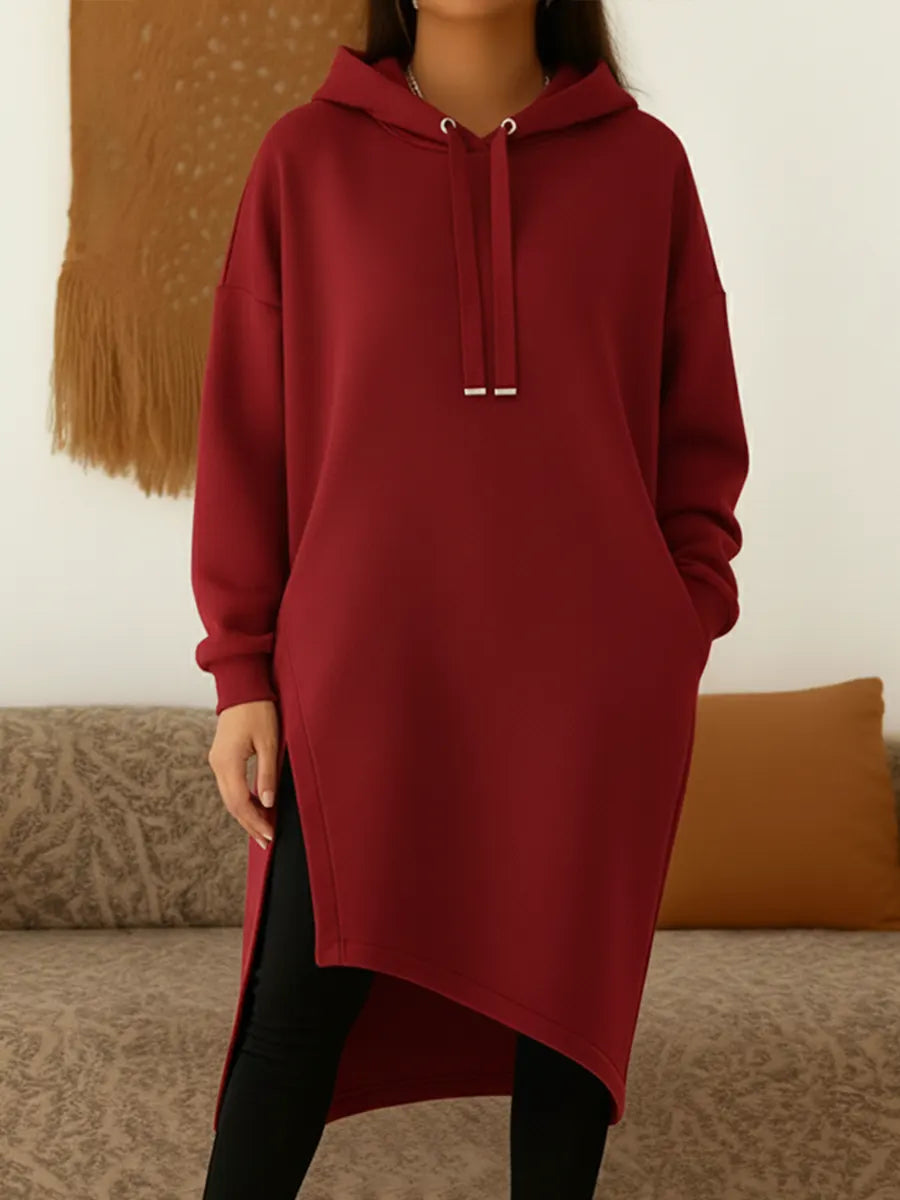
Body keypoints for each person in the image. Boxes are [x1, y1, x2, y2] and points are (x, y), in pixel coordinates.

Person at [192, 1, 750, 1196]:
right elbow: (246, 434)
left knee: (565, 1051)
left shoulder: (643, 167)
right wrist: (242, 670)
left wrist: (674, 625)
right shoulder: (305, 159)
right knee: (292, 1020)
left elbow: (698, 432)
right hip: (361, 683)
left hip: (590, 696)